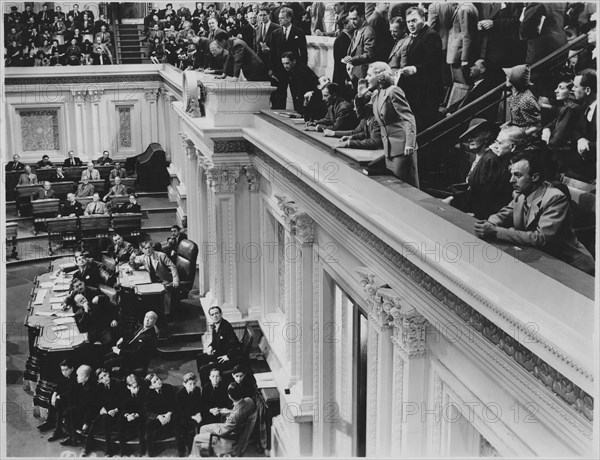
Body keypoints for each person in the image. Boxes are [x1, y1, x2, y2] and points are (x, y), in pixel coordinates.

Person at [474, 151, 595, 275]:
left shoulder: (555, 198)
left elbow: (541, 238)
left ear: (535, 177)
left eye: (517, 175)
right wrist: (489, 223)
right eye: (511, 175)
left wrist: (495, 231)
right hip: (541, 259)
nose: (511, 180)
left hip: (571, 266)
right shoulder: (521, 194)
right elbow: (504, 214)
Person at [367, 61, 419, 188]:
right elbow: (362, 113)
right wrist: (360, 94)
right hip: (388, 148)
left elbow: (409, 118)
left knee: (406, 188)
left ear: (380, 76)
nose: (366, 78)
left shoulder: (393, 91)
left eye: (369, 75)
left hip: (402, 148)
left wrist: (410, 144)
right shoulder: (376, 93)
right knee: (395, 187)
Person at [396, 7, 444, 131]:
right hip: (418, 88)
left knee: (424, 124)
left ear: (423, 19)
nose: (411, 24)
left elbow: (434, 63)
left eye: (414, 20)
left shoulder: (430, 35)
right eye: (408, 22)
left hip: (428, 90)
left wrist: (414, 69)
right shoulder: (417, 35)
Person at [468, 125, 528, 220]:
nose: (494, 146)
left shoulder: (520, 168)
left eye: (499, 143)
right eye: (495, 141)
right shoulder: (496, 159)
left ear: (512, 147)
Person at [190, 382, 256, 456]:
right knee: (202, 428)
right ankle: (208, 447)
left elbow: (222, 432)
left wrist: (213, 428)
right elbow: (241, 411)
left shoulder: (234, 416)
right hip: (233, 426)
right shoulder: (249, 401)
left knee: (196, 438)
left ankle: (195, 455)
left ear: (229, 396)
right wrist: (229, 411)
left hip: (229, 433)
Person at [542, 78, 583, 180]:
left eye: (561, 88)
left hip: (563, 155)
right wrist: (546, 129)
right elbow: (551, 124)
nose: (556, 90)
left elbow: (559, 138)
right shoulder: (567, 107)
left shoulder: (571, 109)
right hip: (560, 152)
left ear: (571, 92)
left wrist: (544, 144)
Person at [267, 6, 307, 108]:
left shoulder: (299, 32)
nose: (279, 20)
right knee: (279, 97)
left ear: (289, 18)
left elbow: (303, 53)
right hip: (279, 71)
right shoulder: (275, 34)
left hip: (295, 70)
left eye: (282, 18)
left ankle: (300, 115)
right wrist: (271, 69)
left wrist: (302, 69)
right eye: (279, 18)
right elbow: (272, 54)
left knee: (297, 95)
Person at [129, 240, 180, 315]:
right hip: (152, 281)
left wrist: (176, 280)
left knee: (164, 298)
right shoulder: (143, 257)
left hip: (164, 281)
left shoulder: (161, 255)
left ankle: (166, 315)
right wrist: (132, 261)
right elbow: (135, 267)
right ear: (142, 250)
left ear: (152, 247)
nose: (148, 250)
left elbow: (173, 267)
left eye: (149, 247)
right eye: (145, 249)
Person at [82, 368, 122, 457]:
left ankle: (109, 450)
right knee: (95, 421)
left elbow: (123, 401)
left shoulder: (117, 384)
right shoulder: (99, 388)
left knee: (105, 420)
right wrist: (101, 409)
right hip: (107, 412)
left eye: (105, 375)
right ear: (99, 381)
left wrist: (116, 410)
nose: (105, 378)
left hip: (118, 411)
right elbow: (99, 402)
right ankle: (87, 447)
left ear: (108, 373)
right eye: (101, 378)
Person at [196, 306, 240, 383]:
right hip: (219, 353)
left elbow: (235, 344)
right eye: (212, 314)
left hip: (226, 358)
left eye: (217, 313)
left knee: (203, 369)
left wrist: (228, 356)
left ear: (221, 314)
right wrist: (210, 347)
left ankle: (207, 386)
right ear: (210, 316)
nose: (215, 316)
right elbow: (214, 341)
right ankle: (206, 380)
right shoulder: (214, 325)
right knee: (200, 357)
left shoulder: (226, 326)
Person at [59, 365, 98, 447]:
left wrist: (86, 423)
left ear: (85, 376)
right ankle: (73, 437)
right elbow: (72, 394)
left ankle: (73, 438)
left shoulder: (91, 388)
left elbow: (90, 407)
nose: (76, 377)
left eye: (78, 375)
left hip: (90, 414)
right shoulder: (82, 384)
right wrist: (61, 397)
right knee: (67, 410)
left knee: (68, 412)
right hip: (83, 408)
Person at [143, 373, 178, 457]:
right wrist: (158, 417)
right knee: (148, 424)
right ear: (151, 386)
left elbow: (175, 403)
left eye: (158, 379)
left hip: (170, 414)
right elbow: (146, 410)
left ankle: (180, 448)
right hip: (159, 417)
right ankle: (150, 452)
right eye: (154, 382)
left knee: (179, 419)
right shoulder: (148, 394)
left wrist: (169, 414)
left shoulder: (168, 388)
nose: (158, 382)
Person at [39, 359, 76, 435]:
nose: (64, 372)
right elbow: (58, 383)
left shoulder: (75, 378)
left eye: (66, 370)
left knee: (58, 401)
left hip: (73, 399)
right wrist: (55, 394)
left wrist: (60, 396)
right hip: (66, 396)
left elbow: (72, 392)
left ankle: (57, 428)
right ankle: (50, 421)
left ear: (72, 369)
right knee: (52, 394)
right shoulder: (64, 376)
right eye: (62, 370)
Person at [572, 69, 597, 183]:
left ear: (587, 90)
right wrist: (580, 139)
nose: (572, 89)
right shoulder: (585, 104)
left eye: (576, 86)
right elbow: (576, 128)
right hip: (587, 162)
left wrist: (588, 146)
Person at [342, 5, 376, 86]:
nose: (352, 22)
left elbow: (369, 55)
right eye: (350, 19)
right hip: (355, 74)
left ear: (362, 17)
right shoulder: (356, 30)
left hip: (363, 75)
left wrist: (352, 59)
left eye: (354, 19)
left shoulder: (368, 31)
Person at [446, 2, 479, 85]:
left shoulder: (464, 9)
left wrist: (464, 59)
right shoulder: (469, 6)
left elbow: (466, 35)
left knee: (460, 84)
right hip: (460, 51)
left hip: (458, 53)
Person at [117, 374, 147, 457]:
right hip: (129, 415)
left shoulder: (143, 391)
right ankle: (123, 449)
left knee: (142, 424)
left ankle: (142, 449)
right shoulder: (124, 393)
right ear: (128, 387)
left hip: (139, 414)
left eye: (137, 387)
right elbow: (122, 407)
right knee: (120, 421)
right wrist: (127, 415)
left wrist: (137, 415)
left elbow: (145, 407)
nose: (136, 389)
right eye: (134, 388)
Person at [281, 51, 319, 115]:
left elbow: (302, 92)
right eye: (283, 64)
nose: (285, 66)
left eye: (287, 63)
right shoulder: (291, 70)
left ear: (294, 61)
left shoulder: (302, 71)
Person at [176, 373, 203, 456]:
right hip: (182, 416)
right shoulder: (179, 394)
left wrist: (198, 414)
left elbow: (198, 404)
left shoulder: (197, 390)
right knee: (182, 426)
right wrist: (192, 417)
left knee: (201, 422)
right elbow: (179, 411)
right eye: (190, 384)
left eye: (194, 383)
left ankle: (196, 447)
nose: (193, 386)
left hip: (194, 414)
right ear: (184, 384)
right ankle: (183, 449)